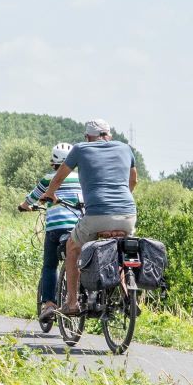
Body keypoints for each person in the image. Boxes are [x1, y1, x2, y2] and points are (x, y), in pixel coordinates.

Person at [34, 120, 138, 316]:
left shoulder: (81, 149)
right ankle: (126, 294)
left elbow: (58, 178)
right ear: (109, 134)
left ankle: (72, 302)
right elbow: (134, 181)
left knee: (72, 247)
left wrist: (50, 194)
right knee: (121, 250)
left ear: (88, 137)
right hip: (127, 214)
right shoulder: (125, 148)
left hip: (97, 214)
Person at [17, 142, 82, 325]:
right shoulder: (82, 178)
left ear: (53, 162)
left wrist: (25, 206)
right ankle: (77, 296)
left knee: (50, 266)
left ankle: (49, 304)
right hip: (78, 228)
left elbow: (32, 198)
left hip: (56, 229)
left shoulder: (48, 178)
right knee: (80, 260)